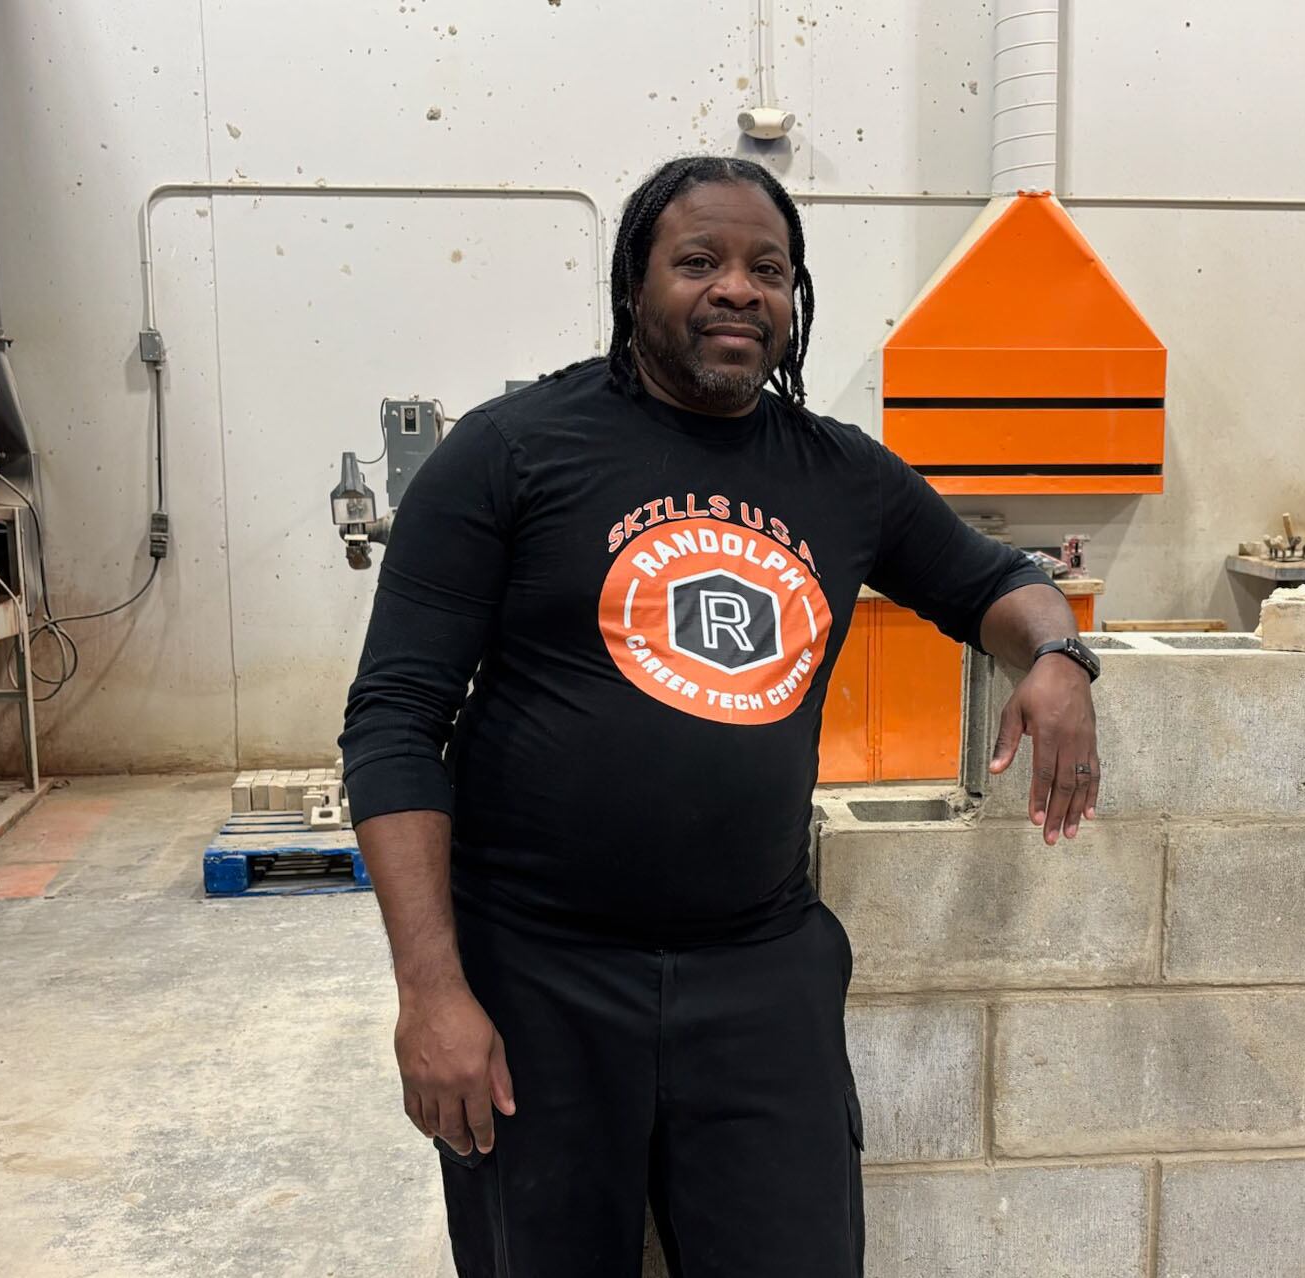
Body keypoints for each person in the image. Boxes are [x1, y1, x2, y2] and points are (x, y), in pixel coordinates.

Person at [340, 154, 1103, 1277]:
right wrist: (431, 993)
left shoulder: (840, 473)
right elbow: (394, 722)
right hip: (539, 975)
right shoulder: (509, 452)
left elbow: (995, 581)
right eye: (699, 261)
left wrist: (1059, 654)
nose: (739, 288)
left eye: (769, 268)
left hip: (760, 972)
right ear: (634, 285)